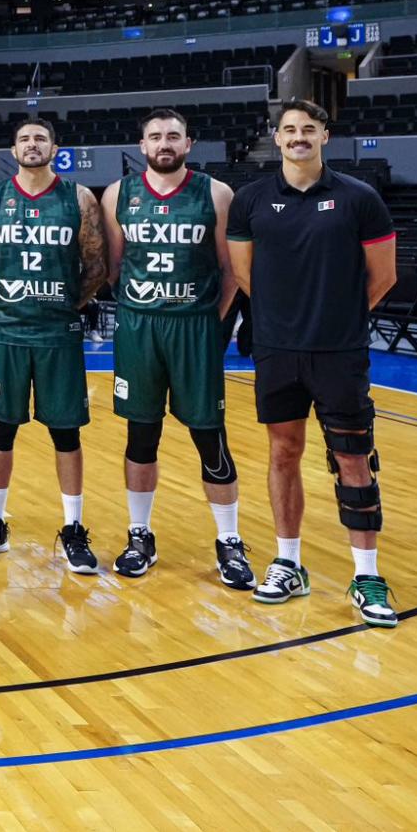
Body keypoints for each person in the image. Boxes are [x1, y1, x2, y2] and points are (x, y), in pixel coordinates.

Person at [228, 100, 399, 627]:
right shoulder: (250, 200)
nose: (298, 137)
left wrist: (334, 320)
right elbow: (243, 274)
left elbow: (383, 277)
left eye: (308, 129)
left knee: (352, 457)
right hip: (277, 352)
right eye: (289, 130)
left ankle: (367, 574)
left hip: (339, 352)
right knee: (284, 452)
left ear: (325, 135)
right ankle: (288, 562)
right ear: (276, 139)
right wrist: (286, 322)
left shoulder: (360, 199)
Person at [101, 109, 252, 588]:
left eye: (173, 136)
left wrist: (210, 320)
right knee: (141, 438)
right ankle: (139, 535)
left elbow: (231, 271)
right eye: (155, 136)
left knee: (211, 438)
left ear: (189, 144)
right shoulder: (118, 194)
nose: (164, 143)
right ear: (142, 145)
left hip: (195, 329)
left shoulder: (216, 192)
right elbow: (113, 266)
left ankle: (229, 541)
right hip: (140, 327)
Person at [0, 117, 107, 572]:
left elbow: (95, 266)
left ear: (55, 148)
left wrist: (66, 305)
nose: (32, 145)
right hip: (7, 330)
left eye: (40, 139)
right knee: (0, 430)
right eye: (25, 139)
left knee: (65, 433)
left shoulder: (79, 198)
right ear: (14, 150)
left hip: (57, 334)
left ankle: (72, 528)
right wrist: (8, 303)